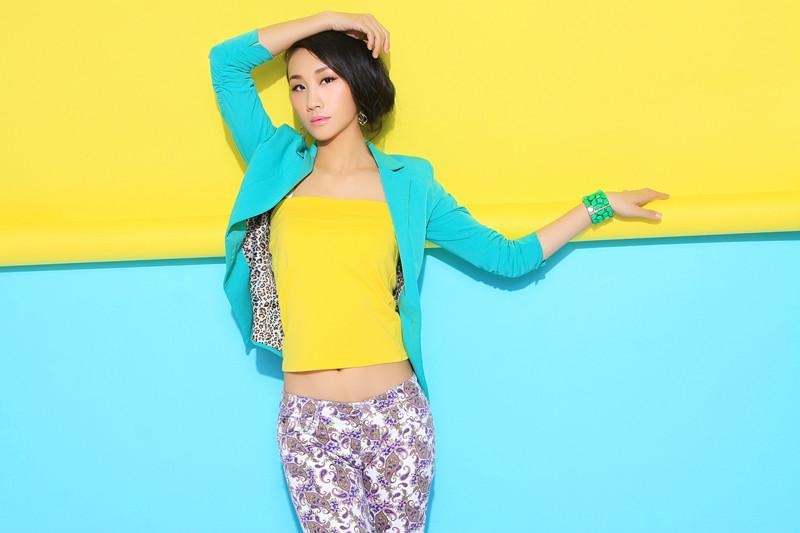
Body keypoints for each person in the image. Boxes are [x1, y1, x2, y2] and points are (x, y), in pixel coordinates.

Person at [208, 10, 669, 533]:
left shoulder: (410, 182)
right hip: (310, 422)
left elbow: (508, 257)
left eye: (327, 80)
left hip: (395, 417)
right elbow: (225, 64)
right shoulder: (277, 161)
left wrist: (597, 205)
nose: (311, 99)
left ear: (358, 84)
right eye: (297, 85)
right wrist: (330, 18)